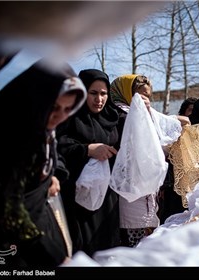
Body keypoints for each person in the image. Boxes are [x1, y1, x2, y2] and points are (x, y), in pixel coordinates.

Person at [0, 58, 87, 268]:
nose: (59, 116)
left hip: (36, 227)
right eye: (53, 107)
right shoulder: (11, 137)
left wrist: (48, 176)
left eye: (68, 109)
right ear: (36, 99)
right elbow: (8, 208)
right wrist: (54, 256)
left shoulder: (42, 130)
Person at [56, 69, 121, 256]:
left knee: (106, 243)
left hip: (107, 196)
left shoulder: (112, 117)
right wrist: (87, 150)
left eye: (103, 94)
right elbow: (58, 145)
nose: (99, 99)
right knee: (82, 247)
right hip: (77, 195)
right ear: (83, 92)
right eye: (93, 93)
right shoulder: (69, 116)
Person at [109, 74, 163, 247]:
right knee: (134, 246)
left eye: (148, 96)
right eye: (141, 95)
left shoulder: (142, 115)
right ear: (127, 93)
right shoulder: (119, 115)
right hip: (129, 194)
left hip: (144, 192)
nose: (145, 100)